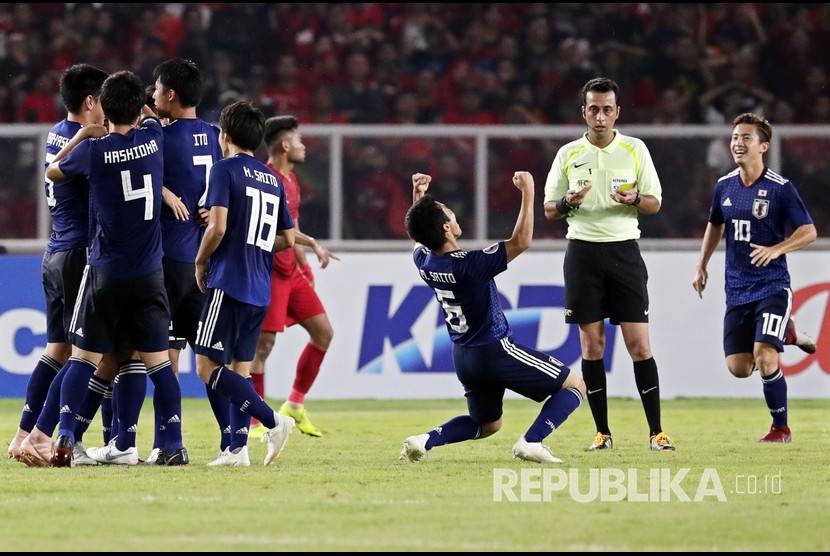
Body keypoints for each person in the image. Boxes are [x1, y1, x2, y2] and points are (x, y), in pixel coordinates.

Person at [43, 70, 187, 467]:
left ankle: (66, 437)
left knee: (83, 359)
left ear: (104, 108)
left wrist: (83, 135)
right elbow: (152, 113)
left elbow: (53, 170)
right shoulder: (153, 139)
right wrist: (136, 103)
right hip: (148, 274)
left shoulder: (94, 151)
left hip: (104, 272)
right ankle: (172, 443)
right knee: (158, 364)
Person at [399, 171, 585, 464]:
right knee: (575, 385)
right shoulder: (469, 265)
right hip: (495, 350)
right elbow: (521, 241)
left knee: (487, 425)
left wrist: (418, 196)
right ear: (447, 227)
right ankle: (532, 442)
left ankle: (425, 439)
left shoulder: (425, 261)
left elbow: (417, 235)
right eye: (449, 213)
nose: (454, 215)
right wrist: (528, 192)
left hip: (464, 355)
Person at [542, 77, 675, 452]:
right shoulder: (568, 153)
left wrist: (634, 198)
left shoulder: (634, 149)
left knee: (638, 344)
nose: (600, 117)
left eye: (607, 109)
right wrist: (568, 202)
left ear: (617, 112)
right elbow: (550, 209)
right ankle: (602, 433)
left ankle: (657, 432)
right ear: (583, 112)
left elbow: (654, 202)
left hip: (624, 252)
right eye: (594, 109)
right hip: (583, 253)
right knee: (592, 346)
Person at [692, 112, 817, 444]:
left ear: (763, 146)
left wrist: (777, 249)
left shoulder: (780, 189)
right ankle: (787, 332)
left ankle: (781, 429)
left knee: (765, 357)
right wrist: (702, 264)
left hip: (772, 286)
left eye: (746, 138)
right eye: (735, 137)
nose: (738, 143)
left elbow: (809, 231)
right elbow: (715, 224)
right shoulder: (724, 186)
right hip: (736, 289)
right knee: (739, 367)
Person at [7, 63, 109, 464]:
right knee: (88, 354)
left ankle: (21, 436)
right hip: (79, 255)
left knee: (58, 349)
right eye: (103, 100)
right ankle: (42, 435)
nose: (106, 109)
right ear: (89, 101)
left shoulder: (56, 133)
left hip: (55, 251)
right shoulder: (82, 141)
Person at [193, 100, 297, 467]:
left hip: (229, 280)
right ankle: (236, 450)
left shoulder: (223, 170)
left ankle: (273, 420)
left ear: (225, 136)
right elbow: (288, 238)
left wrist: (201, 259)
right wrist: (253, 239)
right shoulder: (272, 179)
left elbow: (217, 226)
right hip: (259, 287)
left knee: (206, 368)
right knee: (240, 369)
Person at [142, 57, 222, 465]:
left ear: (170, 95)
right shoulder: (214, 135)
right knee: (209, 358)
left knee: (163, 356)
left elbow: (136, 175)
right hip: (205, 260)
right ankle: (234, 441)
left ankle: (167, 442)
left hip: (170, 258)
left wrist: (162, 191)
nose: (153, 96)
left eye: (156, 89)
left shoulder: (160, 137)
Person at [249, 115, 338, 438]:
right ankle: (255, 421)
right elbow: (273, 230)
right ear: (285, 146)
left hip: (292, 271)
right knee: (263, 346)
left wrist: (305, 266)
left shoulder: (292, 180)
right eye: (299, 141)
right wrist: (312, 243)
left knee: (323, 332)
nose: (303, 147)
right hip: (269, 270)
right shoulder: (264, 179)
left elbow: (292, 227)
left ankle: (295, 406)